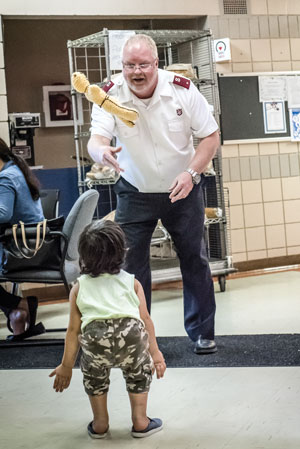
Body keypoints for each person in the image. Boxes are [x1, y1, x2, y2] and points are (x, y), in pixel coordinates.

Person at [87, 34, 220, 355]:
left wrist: (192, 173)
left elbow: (210, 138)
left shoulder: (182, 90)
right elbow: (96, 139)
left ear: (156, 64)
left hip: (183, 188)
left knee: (195, 259)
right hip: (134, 189)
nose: (136, 71)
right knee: (130, 266)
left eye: (143, 64)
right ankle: (138, 336)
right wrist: (101, 153)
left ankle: (203, 333)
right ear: (122, 67)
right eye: (130, 65)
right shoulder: (109, 94)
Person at [49, 219, 166, 439]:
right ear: (122, 252)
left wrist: (66, 366)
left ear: (83, 255)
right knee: (138, 373)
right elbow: (146, 319)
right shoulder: (132, 282)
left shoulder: (78, 287)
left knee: (94, 376)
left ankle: (101, 423)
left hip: (95, 341)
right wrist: (156, 354)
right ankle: (140, 421)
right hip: (131, 337)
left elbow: (73, 331)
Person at [0, 138, 45, 340]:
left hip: (22, 250)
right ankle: (15, 312)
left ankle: (19, 307)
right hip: (34, 244)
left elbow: (3, 214)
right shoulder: (15, 171)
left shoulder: (6, 178)